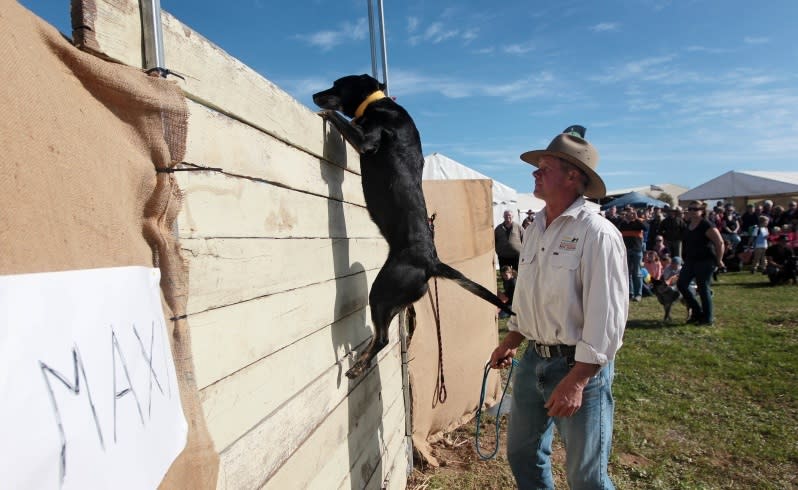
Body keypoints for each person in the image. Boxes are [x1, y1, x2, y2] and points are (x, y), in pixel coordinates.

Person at [489, 131, 627, 489]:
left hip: (577, 365)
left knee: (586, 478)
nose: (535, 173)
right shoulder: (535, 227)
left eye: (545, 167)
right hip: (534, 357)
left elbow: (607, 316)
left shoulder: (597, 232)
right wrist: (512, 338)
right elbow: (528, 292)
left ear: (572, 176)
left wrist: (579, 379)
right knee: (522, 456)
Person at [677, 201, 724, 326]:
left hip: (706, 260)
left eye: (695, 209)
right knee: (681, 284)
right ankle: (697, 311)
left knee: (703, 288)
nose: (692, 211)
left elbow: (719, 243)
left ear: (702, 210)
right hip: (691, 260)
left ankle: (707, 318)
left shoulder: (706, 225)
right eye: (690, 208)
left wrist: (719, 260)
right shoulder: (689, 224)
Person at [618, 208, 648, 301]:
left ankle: (638, 294)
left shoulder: (638, 222)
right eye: (627, 212)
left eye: (631, 212)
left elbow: (646, 228)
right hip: (626, 250)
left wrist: (636, 218)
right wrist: (625, 220)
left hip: (637, 250)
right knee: (628, 273)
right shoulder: (622, 224)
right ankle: (630, 293)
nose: (629, 214)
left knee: (637, 273)